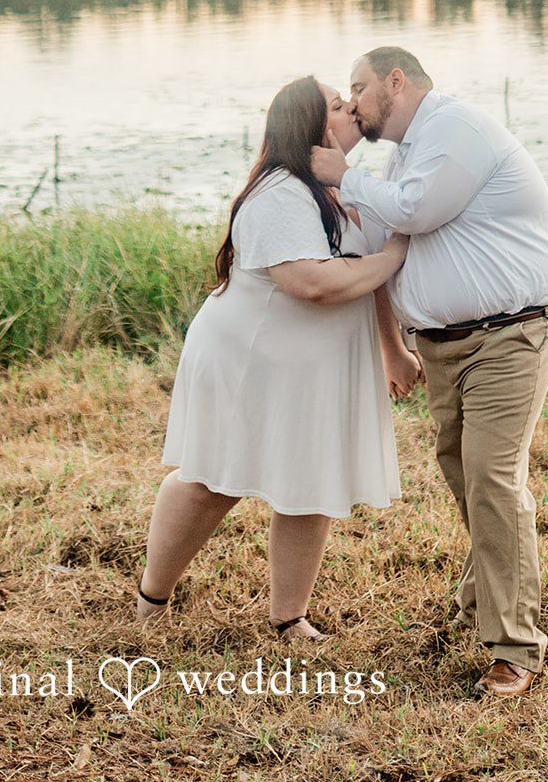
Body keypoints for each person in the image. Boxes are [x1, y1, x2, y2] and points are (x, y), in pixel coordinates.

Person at [312, 45, 548, 697]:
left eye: (358, 88)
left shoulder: (456, 129)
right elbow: (379, 242)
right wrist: (390, 346)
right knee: (463, 472)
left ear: (394, 82)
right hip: (444, 347)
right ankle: (483, 594)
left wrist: (343, 174)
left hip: (509, 334)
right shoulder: (404, 155)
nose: (353, 104)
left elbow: (415, 210)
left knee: (490, 478)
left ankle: (515, 647)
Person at [136, 75, 421, 641]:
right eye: (339, 106)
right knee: (213, 477)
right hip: (249, 356)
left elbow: (366, 282)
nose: (353, 109)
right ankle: (152, 599)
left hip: (309, 365)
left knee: (310, 476)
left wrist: (395, 350)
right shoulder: (279, 192)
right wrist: (394, 255)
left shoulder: (353, 185)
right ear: (314, 128)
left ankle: (289, 617)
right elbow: (311, 281)